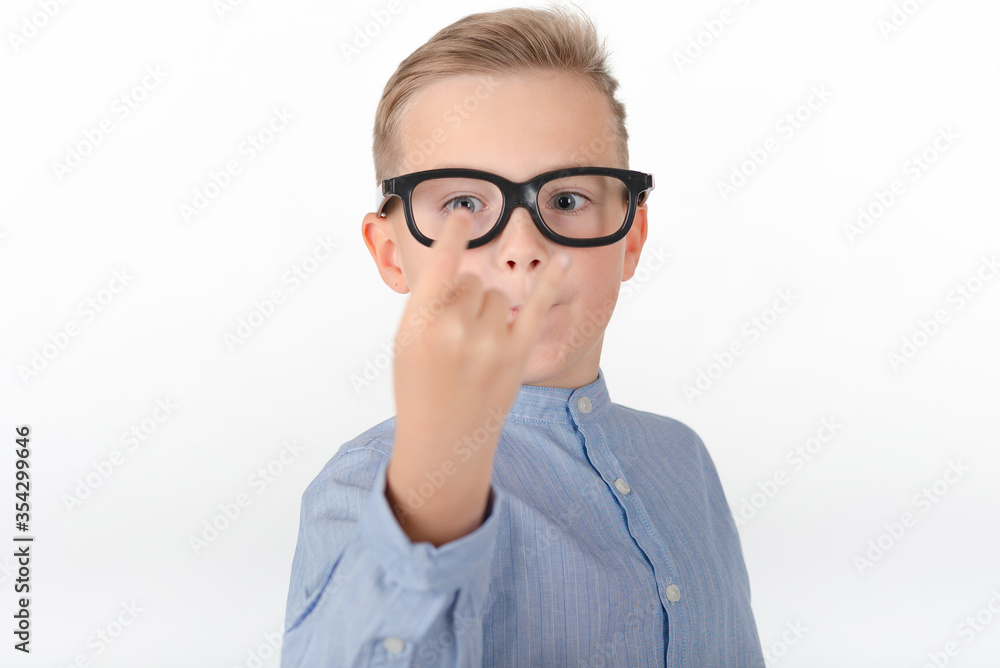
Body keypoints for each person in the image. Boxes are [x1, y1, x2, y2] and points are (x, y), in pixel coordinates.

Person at [282, 5, 765, 666]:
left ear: (631, 237)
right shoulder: (366, 488)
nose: (522, 248)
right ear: (393, 253)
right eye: (462, 204)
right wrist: (432, 497)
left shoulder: (682, 459)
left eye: (566, 200)